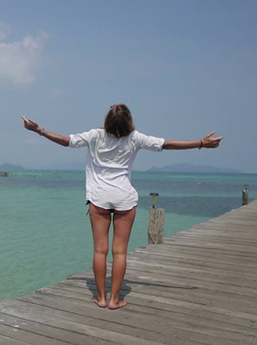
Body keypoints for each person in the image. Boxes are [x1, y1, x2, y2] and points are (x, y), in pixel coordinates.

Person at [22, 104, 222, 309]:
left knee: (100, 250)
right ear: (129, 120)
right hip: (124, 199)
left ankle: (100, 298)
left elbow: (66, 141)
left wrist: (39, 130)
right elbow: (167, 144)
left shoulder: (94, 135)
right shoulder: (135, 138)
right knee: (120, 252)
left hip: (98, 198)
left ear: (107, 119)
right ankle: (114, 299)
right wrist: (201, 143)